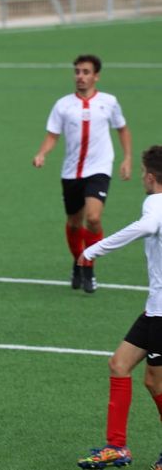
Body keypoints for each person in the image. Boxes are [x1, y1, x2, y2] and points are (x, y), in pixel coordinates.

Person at [73, 145, 162, 470]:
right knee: (120, 364)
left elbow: (146, 227)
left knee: (156, 382)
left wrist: (96, 248)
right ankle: (117, 447)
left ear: (151, 177)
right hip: (154, 310)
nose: (141, 178)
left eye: (142, 174)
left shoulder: (155, 202)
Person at [32, 54, 132, 293]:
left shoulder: (109, 101)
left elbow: (122, 129)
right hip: (71, 172)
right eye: (77, 71)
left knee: (94, 218)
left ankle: (89, 264)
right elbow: (52, 135)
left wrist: (127, 157)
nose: (80, 76)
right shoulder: (63, 105)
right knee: (74, 224)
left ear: (96, 76)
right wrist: (42, 153)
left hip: (99, 169)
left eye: (86, 72)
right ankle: (78, 261)